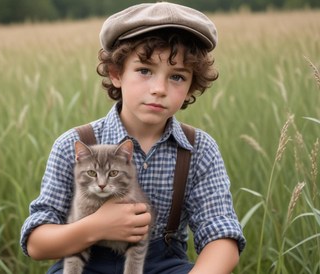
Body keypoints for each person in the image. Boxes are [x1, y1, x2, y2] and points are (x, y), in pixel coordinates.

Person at [20, 2, 246, 273]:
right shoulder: (74, 144)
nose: (159, 89)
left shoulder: (198, 149)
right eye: (144, 71)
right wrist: (96, 226)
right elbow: (37, 243)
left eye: (177, 76)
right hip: (85, 263)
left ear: (190, 87)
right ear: (116, 74)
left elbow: (221, 235)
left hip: (164, 266)